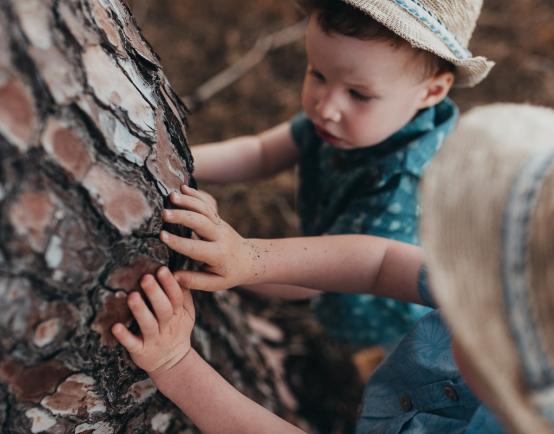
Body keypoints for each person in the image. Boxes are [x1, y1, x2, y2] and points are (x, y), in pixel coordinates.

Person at [112, 104, 554, 433]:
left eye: (476, 311)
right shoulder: (508, 287)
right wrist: (249, 258)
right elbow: (381, 264)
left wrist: (176, 365)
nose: (455, 294)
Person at [192, 0, 494, 349]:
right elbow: (262, 153)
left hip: (382, 308)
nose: (326, 107)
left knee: (380, 362)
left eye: (358, 94)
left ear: (432, 92)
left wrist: (234, 262)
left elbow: (317, 277)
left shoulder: (400, 183)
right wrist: (185, 161)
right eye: (317, 74)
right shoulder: (354, 119)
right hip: (328, 259)